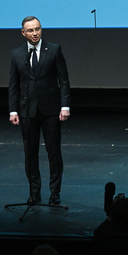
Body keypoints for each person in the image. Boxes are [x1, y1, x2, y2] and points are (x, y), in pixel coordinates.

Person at [8, 16, 71, 205]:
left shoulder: (53, 50)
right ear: (23, 33)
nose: (35, 33)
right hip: (28, 111)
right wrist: (13, 110)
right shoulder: (17, 54)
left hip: (51, 110)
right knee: (30, 154)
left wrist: (65, 106)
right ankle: (34, 193)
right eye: (30, 30)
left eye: (37, 29)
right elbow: (14, 85)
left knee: (53, 152)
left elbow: (64, 80)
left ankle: (54, 192)